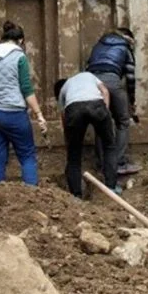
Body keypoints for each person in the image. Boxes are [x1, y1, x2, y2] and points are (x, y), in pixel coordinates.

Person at [0, 21, 48, 186]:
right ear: (21, 40)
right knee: (27, 155)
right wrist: (39, 114)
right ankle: (31, 192)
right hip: (14, 115)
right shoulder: (19, 57)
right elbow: (26, 89)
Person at [85, 27, 140, 175]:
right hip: (112, 80)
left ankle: (102, 162)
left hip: (93, 82)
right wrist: (131, 100)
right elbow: (130, 76)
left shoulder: (98, 45)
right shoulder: (125, 47)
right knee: (123, 121)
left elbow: (88, 67)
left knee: (100, 122)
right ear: (128, 38)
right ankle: (118, 162)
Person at [54, 73, 118, 198]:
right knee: (109, 146)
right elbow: (105, 91)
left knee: (74, 156)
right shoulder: (88, 75)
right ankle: (111, 187)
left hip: (74, 109)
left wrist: (68, 138)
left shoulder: (63, 89)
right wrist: (106, 114)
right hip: (96, 104)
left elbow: (64, 116)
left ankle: (76, 195)